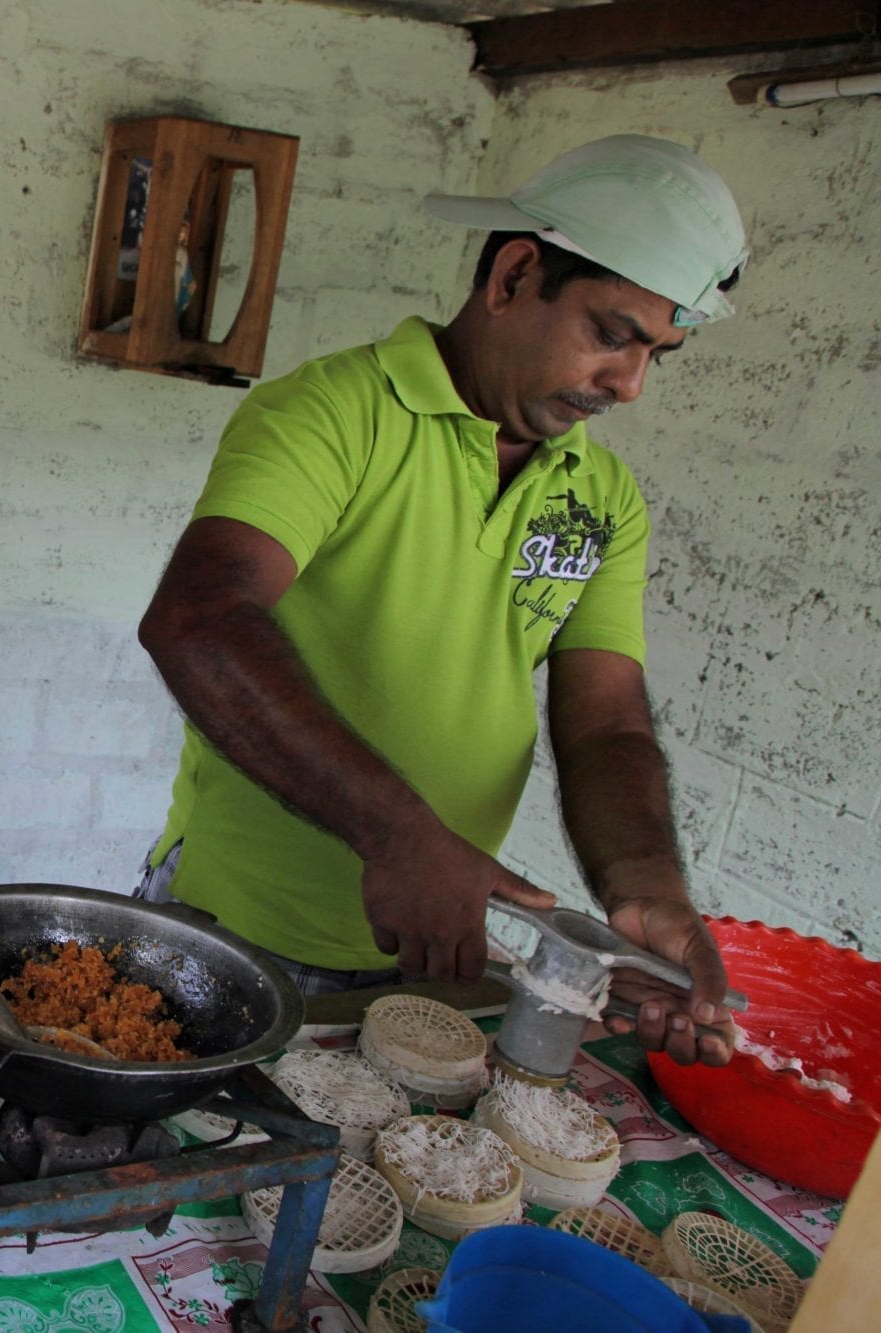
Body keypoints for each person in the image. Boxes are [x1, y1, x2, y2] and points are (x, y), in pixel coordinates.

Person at [137, 136, 746, 1067]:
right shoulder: (335, 413)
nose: (629, 384)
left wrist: (649, 891)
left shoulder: (604, 497)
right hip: (235, 928)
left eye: (660, 352)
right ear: (513, 274)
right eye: (614, 335)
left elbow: (607, 728)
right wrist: (402, 835)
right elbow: (198, 620)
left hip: (439, 951)